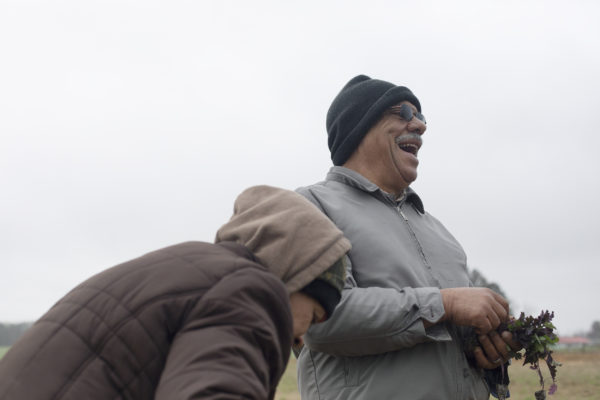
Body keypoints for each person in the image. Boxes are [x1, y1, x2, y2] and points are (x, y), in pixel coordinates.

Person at [0, 185, 351, 400]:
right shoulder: (248, 291)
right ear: (296, 274)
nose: (303, 339)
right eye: (315, 316)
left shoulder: (191, 268)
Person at [295, 75, 519, 399]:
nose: (420, 126)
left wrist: (489, 351)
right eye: (402, 113)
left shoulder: (440, 231)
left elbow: (448, 340)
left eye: (421, 117)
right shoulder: (312, 206)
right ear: (359, 127)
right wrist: (447, 303)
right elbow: (323, 318)